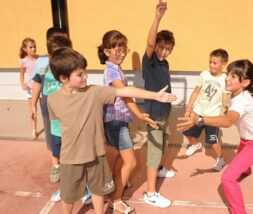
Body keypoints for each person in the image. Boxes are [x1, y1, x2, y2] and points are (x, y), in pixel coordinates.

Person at [47, 47, 176, 214]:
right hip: (70, 158)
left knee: (98, 190)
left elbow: (125, 91)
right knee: (69, 195)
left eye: (84, 72)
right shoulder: (53, 100)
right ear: (63, 78)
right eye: (79, 75)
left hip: (96, 155)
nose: (85, 76)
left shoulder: (94, 92)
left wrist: (154, 95)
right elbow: (58, 126)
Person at [177, 59, 253, 214]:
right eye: (229, 74)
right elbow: (231, 112)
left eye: (233, 76)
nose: (227, 78)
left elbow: (227, 121)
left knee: (227, 180)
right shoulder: (239, 94)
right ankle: (245, 170)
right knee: (241, 161)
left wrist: (200, 120)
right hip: (247, 140)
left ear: (245, 82)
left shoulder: (242, 100)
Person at [98, 30, 158, 213]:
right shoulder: (111, 71)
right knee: (131, 162)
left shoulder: (115, 68)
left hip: (118, 119)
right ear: (107, 51)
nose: (123, 54)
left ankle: (115, 185)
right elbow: (126, 96)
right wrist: (139, 115)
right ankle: (116, 200)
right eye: (118, 51)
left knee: (120, 157)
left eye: (125, 50)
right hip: (115, 121)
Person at [142, 0, 176, 208]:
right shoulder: (150, 61)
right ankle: (150, 193)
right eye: (161, 47)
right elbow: (150, 44)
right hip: (154, 115)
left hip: (164, 113)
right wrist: (157, 18)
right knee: (153, 154)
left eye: (167, 48)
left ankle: (161, 167)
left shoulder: (165, 63)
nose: (163, 51)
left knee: (163, 145)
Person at [31, 27, 69, 183]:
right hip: (49, 105)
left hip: (67, 104)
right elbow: (37, 83)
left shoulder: (68, 60)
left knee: (67, 133)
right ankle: (56, 164)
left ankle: (69, 161)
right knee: (53, 134)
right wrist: (32, 104)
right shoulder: (41, 63)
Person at [183, 49, 230, 171]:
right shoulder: (204, 74)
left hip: (212, 117)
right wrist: (189, 108)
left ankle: (220, 158)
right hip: (197, 112)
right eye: (210, 62)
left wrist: (227, 107)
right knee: (188, 133)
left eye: (215, 63)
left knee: (212, 140)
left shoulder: (225, 79)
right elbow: (196, 91)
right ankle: (195, 145)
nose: (211, 65)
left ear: (223, 64)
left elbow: (225, 97)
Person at [19, 37, 39, 139]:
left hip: (40, 87)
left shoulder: (40, 59)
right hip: (30, 88)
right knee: (32, 109)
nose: (34, 49)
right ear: (25, 49)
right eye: (31, 47)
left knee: (46, 108)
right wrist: (23, 84)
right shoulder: (23, 61)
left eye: (34, 46)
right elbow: (22, 74)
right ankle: (34, 130)